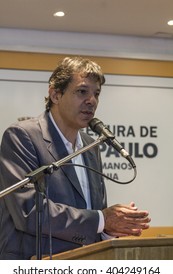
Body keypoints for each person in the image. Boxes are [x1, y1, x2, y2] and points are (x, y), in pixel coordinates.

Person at [0, 56, 150, 260]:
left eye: (96, 94)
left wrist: (109, 230)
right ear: (55, 94)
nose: (92, 101)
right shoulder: (23, 136)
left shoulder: (91, 145)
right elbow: (30, 210)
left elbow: (94, 214)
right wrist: (101, 219)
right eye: (82, 92)